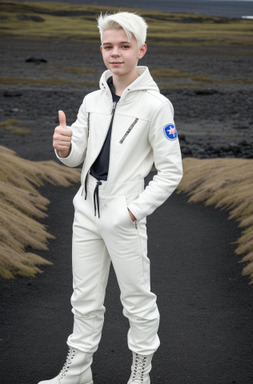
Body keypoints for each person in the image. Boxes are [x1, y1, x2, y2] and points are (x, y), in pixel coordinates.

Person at [38, 11, 183, 384]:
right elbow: (78, 159)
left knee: (136, 300)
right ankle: (78, 371)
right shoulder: (91, 101)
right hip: (85, 212)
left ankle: (141, 374)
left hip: (123, 216)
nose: (115, 53)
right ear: (101, 49)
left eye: (124, 46)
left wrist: (133, 211)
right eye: (108, 46)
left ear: (141, 49)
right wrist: (63, 147)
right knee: (84, 298)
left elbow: (171, 171)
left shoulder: (156, 106)